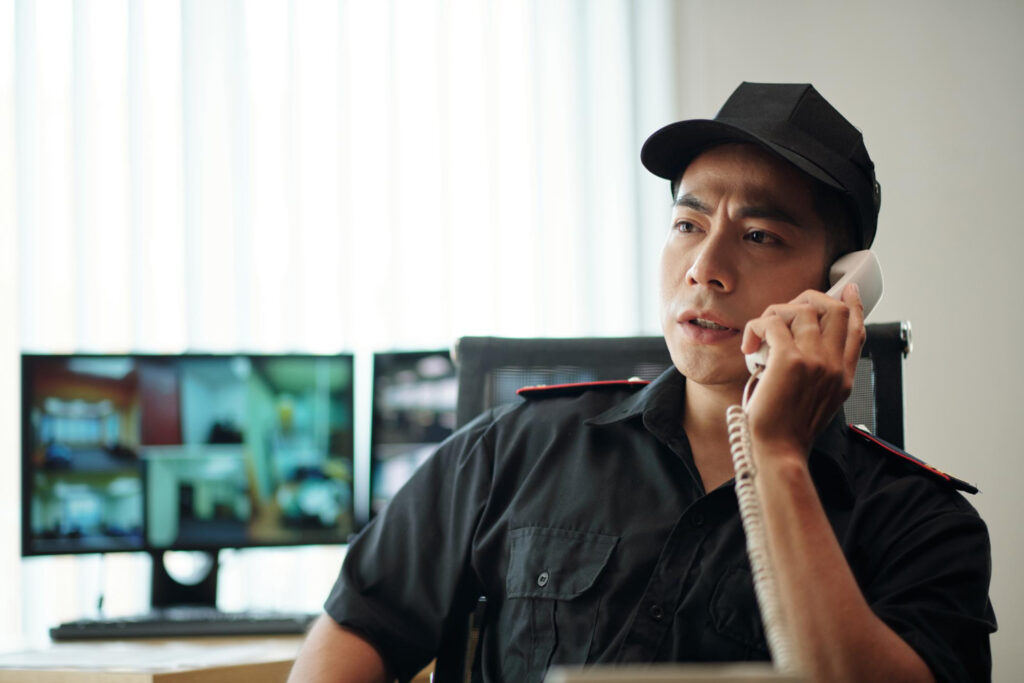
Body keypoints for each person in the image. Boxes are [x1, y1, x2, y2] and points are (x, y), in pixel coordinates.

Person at [288, 82, 996, 683]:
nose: (705, 267)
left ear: (841, 287)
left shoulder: (922, 525)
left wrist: (775, 454)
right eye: (688, 223)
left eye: (759, 236)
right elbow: (355, 631)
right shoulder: (515, 449)